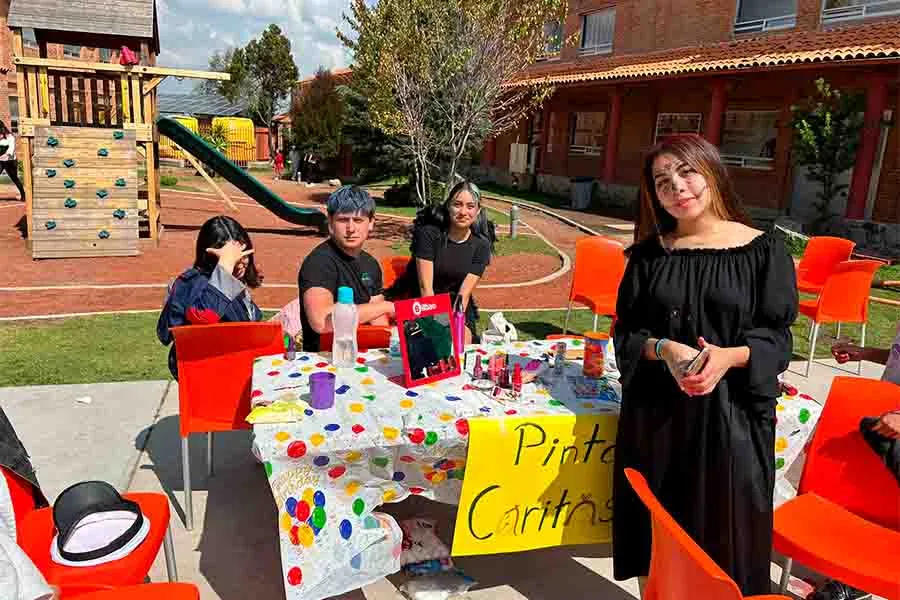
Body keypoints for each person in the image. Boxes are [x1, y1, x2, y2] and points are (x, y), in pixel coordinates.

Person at [612, 134, 798, 596]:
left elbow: (779, 338)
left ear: (712, 171)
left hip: (733, 421)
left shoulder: (763, 251)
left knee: (727, 539)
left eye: (686, 172)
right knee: (659, 541)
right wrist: (665, 350)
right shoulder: (649, 256)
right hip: (656, 419)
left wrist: (729, 357)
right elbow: (627, 334)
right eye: (662, 181)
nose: (677, 187)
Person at [387, 181, 495, 343]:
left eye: (470, 206)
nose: (463, 212)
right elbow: (425, 288)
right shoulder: (429, 235)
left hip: (455, 304)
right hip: (423, 301)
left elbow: (463, 294)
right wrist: (437, 324)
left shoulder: (482, 245)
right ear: (448, 206)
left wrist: (455, 324)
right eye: (457, 205)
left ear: (478, 211)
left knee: (461, 338)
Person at [157, 216, 263, 379]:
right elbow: (204, 316)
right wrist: (225, 266)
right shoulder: (195, 284)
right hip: (209, 377)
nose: (241, 263)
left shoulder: (231, 283)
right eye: (233, 258)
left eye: (244, 255)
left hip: (235, 371)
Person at [298, 186, 394, 352]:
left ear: (371, 223)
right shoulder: (319, 263)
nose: (351, 228)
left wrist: (388, 344)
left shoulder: (370, 264)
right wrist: (388, 307)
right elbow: (321, 321)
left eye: (358, 220)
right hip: (325, 357)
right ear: (330, 223)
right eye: (343, 220)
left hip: (363, 352)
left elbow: (378, 319)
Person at [0, 122, 25, 201]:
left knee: (14, 178)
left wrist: (6, 155)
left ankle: (23, 195)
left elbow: (11, 148)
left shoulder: (10, 137)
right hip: (0, 161)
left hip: (10, 161)